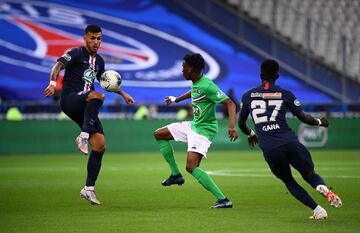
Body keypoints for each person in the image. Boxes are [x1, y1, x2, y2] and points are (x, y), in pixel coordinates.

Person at [238, 59, 342, 219]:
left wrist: (251, 134)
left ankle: (318, 210)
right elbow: (304, 118)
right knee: (309, 174)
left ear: (260, 75)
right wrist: (321, 122)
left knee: (289, 181)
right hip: (290, 142)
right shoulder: (285, 94)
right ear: (277, 76)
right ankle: (323, 189)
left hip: (271, 149)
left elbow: (241, 123)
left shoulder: (247, 96)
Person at [43, 24, 135, 205]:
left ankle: (88, 189)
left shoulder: (100, 61)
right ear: (85, 38)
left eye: (99, 38)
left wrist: (123, 93)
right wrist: (53, 83)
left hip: (87, 106)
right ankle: (83, 136)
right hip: (70, 99)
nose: (96, 42)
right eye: (92, 38)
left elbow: (104, 82)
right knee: (97, 96)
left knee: (100, 145)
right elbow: (58, 65)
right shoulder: (76, 53)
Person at [154, 53, 238, 208]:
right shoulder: (196, 82)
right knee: (159, 134)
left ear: (191, 69)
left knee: (191, 167)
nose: (182, 70)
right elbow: (194, 92)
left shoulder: (207, 85)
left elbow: (230, 104)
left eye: (183, 67)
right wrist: (176, 99)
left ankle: (223, 200)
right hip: (194, 125)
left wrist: (232, 127)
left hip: (204, 130)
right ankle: (175, 175)